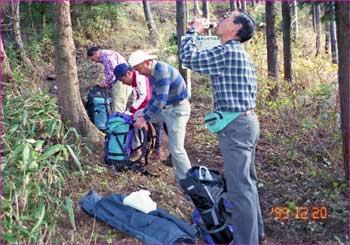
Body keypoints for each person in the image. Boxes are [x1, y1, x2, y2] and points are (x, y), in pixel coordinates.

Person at [179, 10, 265, 244]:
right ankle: (256, 234)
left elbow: (188, 58)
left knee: (239, 190)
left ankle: (246, 241)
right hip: (246, 123)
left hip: (236, 127)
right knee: (247, 184)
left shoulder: (227, 52)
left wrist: (192, 31)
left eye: (227, 17)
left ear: (237, 28)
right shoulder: (236, 52)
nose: (220, 19)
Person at [128, 50, 191, 182]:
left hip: (177, 110)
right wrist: (142, 114)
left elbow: (161, 100)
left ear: (147, 62)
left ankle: (188, 180)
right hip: (166, 110)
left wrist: (144, 119)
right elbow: (154, 98)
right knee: (136, 115)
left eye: (139, 69)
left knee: (176, 149)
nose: (139, 73)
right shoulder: (152, 73)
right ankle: (138, 149)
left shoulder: (162, 70)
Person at [113, 63, 164, 160]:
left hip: (159, 102)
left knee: (152, 122)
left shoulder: (140, 77)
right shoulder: (135, 81)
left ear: (128, 74)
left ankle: (154, 150)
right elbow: (137, 97)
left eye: (122, 80)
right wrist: (131, 110)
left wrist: (132, 110)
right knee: (135, 117)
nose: (123, 83)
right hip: (153, 103)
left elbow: (145, 97)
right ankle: (138, 147)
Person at [87, 46, 132, 112]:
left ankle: (117, 122)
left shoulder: (106, 56)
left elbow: (112, 74)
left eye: (93, 59)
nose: (95, 62)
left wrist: (104, 83)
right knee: (120, 106)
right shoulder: (108, 54)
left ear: (95, 53)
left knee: (118, 108)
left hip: (121, 82)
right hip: (122, 81)